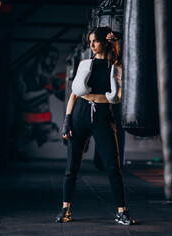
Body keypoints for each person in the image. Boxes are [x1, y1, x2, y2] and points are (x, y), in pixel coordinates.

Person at [55, 26, 135, 225]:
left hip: (102, 115)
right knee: (71, 166)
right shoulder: (84, 63)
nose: (90, 45)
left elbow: (131, 42)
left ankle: (121, 211)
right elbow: (74, 93)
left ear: (105, 42)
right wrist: (67, 120)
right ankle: (65, 209)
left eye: (95, 41)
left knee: (113, 166)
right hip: (80, 113)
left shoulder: (115, 65)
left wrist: (118, 36)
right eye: (89, 41)